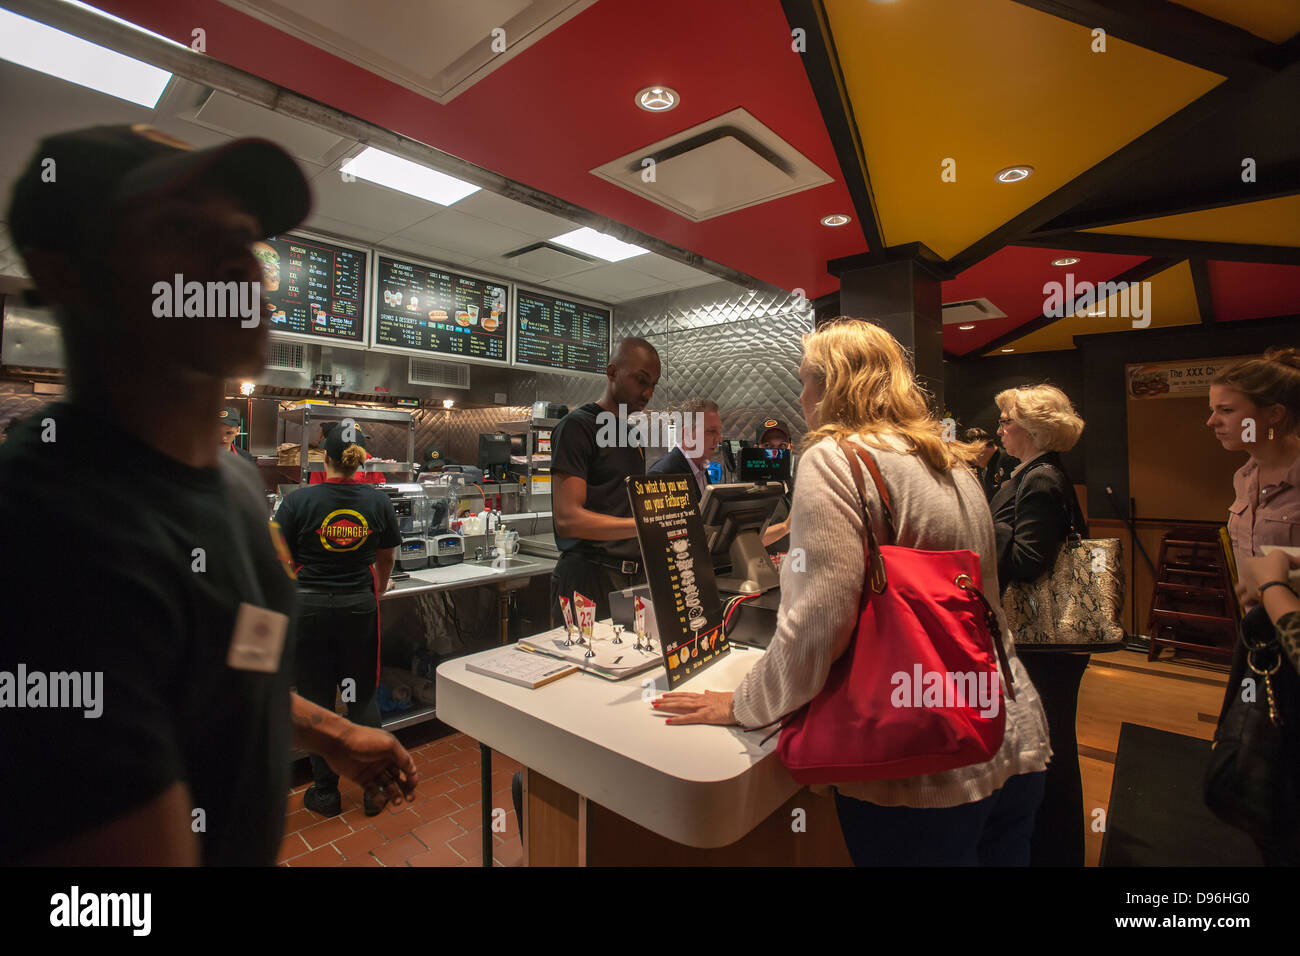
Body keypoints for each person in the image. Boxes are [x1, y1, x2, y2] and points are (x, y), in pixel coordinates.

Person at [0, 125, 416, 865]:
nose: (238, 265)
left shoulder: (229, 482)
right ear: (63, 273)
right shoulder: (49, 534)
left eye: (244, 237)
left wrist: (336, 735)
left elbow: (221, 666)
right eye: (180, 229)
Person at [653, 319, 1050, 866]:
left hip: (920, 767)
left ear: (833, 385)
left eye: (805, 382)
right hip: (1008, 730)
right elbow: (984, 604)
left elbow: (817, 624)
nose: (799, 397)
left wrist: (746, 703)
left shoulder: (837, 459)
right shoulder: (950, 463)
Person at [273, 422, 400, 817]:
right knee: (360, 696)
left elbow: (275, 553)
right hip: (358, 607)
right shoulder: (377, 501)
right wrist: (376, 589)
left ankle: (325, 794)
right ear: (362, 460)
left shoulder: (297, 501)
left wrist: (297, 585)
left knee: (316, 698)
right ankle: (375, 790)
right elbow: (386, 558)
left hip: (309, 608)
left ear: (323, 458)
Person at [988, 384, 1089, 867]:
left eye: (1006, 421)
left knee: (1051, 749)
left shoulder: (1041, 478)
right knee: (1049, 742)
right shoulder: (1032, 473)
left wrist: (984, 528)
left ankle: (1056, 851)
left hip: (1048, 641)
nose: (1000, 430)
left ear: (1030, 429)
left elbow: (1029, 560)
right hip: (1044, 641)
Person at [548, 337, 661, 623]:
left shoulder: (633, 436)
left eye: (654, 384)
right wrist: (643, 526)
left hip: (629, 581)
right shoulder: (577, 426)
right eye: (641, 380)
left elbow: (622, 506)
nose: (648, 393)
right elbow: (568, 519)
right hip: (588, 579)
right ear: (612, 373)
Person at [1208, 347, 1300, 577]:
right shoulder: (1244, 477)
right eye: (1212, 410)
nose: (1211, 421)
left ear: (1274, 414)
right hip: (1258, 613)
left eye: (1226, 410)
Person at [648, 397, 722, 502]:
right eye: (711, 431)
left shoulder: (701, 468)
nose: (719, 439)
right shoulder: (662, 475)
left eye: (719, 431)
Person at [757, 419, 795, 552]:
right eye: (768, 447)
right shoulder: (747, 489)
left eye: (782, 446)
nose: (776, 453)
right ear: (757, 450)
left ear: (791, 448)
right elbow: (746, 540)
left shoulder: (796, 485)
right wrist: (786, 526)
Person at [962, 425, 1011, 501]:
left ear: (981, 446)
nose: (972, 460)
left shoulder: (1008, 459)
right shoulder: (984, 466)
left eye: (972, 453)